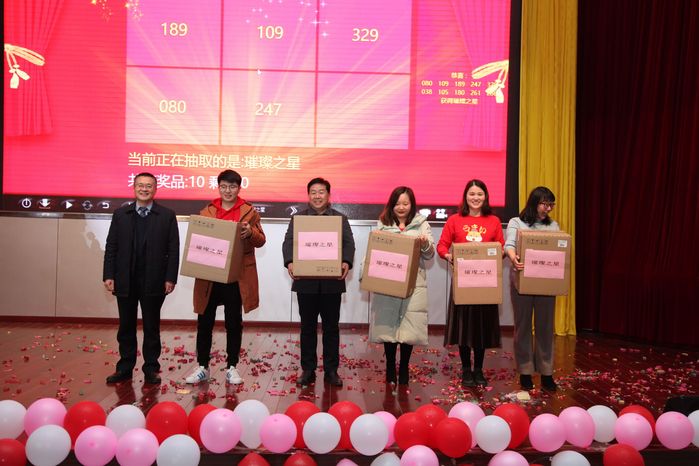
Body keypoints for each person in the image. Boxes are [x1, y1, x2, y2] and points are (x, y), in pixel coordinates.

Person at [184, 170, 266, 385]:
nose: (228, 190)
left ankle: (232, 366)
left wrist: (250, 233)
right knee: (204, 321)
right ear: (218, 187)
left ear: (239, 188)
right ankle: (202, 366)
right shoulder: (207, 211)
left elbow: (261, 240)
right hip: (210, 276)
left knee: (233, 322)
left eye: (232, 187)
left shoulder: (249, 212)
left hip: (236, 276)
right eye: (224, 186)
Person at [103, 172, 180, 385]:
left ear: (155, 189)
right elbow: (111, 246)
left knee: (151, 327)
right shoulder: (121, 214)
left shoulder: (166, 215)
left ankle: (151, 369)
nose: (144, 189)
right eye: (140, 185)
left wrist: (170, 278)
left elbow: (173, 249)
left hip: (154, 279)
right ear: (134, 188)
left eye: (148, 186)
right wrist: (109, 274)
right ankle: (124, 368)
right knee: (126, 326)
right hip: (125, 278)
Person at [282, 177, 355, 387]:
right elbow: (288, 242)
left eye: (321, 192)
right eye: (313, 192)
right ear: (308, 195)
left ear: (328, 195)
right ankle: (308, 369)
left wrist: (346, 261)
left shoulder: (340, 219)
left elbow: (348, 244)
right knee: (307, 327)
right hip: (306, 282)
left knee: (331, 328)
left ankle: (331, 370)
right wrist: (290, 262)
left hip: (332, 282)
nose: (317, 196)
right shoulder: (298, 219)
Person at [437, 179, 504, 387]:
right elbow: (442, 246)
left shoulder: (494, 221)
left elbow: (501, 247)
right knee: (463, 328)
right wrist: (449, 256)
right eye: (472, 194)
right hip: (463, 282)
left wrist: (499, 254)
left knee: (482, 327)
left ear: (486, 197)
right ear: (466, 196)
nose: (476, 198)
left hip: (486, 282)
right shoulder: (454, 220)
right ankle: (466, 369)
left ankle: (479, 369)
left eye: (480, 194)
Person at [369, 187, 435, 385]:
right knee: (388, 325)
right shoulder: (383, 223)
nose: (401, 207)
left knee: (409, 327)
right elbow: (374, 250)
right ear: (391, 204)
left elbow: (430, 253)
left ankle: (404, 366)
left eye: (405, 203)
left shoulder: (422, 224)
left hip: (414, 283)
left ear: (412, 205)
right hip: (388, 282)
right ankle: (390, 366)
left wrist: (424, 243)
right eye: (397, 203)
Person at [504, 186, 560, 391]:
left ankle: (547, 372)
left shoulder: (553, 226)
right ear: (534, 203)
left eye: (551, 205)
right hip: (522, 281)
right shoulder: (516, 222)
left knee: (545, 328)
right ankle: (525, 371)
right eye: (545, 204)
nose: (548, 208)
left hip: (546, 282)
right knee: (523, 327)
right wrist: (514, 258)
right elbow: (509, 245)